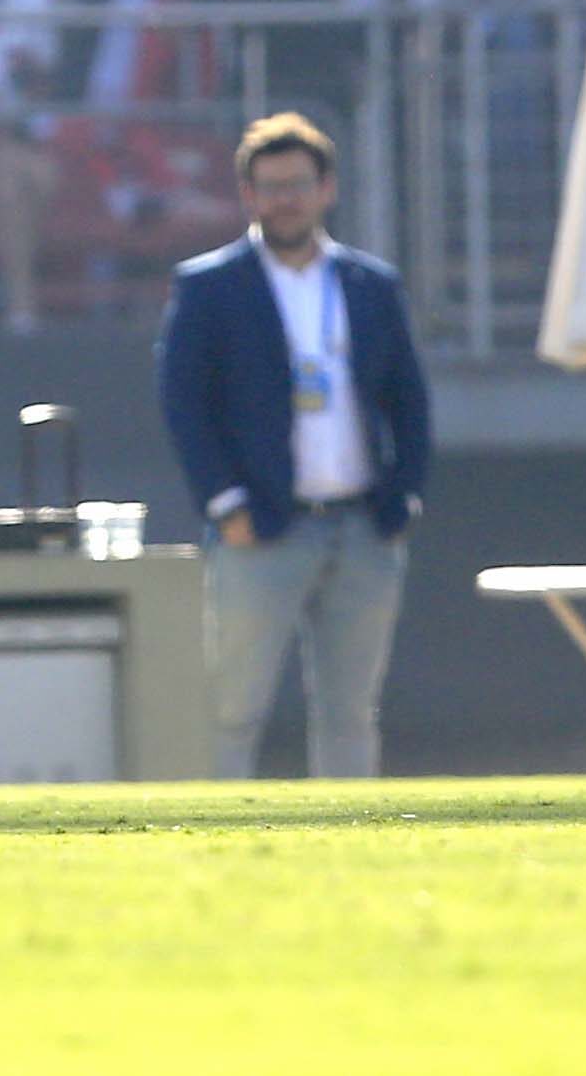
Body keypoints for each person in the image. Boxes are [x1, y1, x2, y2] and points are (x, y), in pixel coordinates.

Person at [157, 112, 429, 778]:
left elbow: (410, 398)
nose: (285, 199)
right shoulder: (210, 285)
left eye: (298, 184)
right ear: (248, 196)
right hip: (262, 527)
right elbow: (183, 402)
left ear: (326, 188)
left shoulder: (370, 284)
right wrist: (226, 505)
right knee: (231, 708)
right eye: (270, 186)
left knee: (350, 712)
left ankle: (351, 851)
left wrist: (404, 498)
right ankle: (212, 849)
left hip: (362, 525)